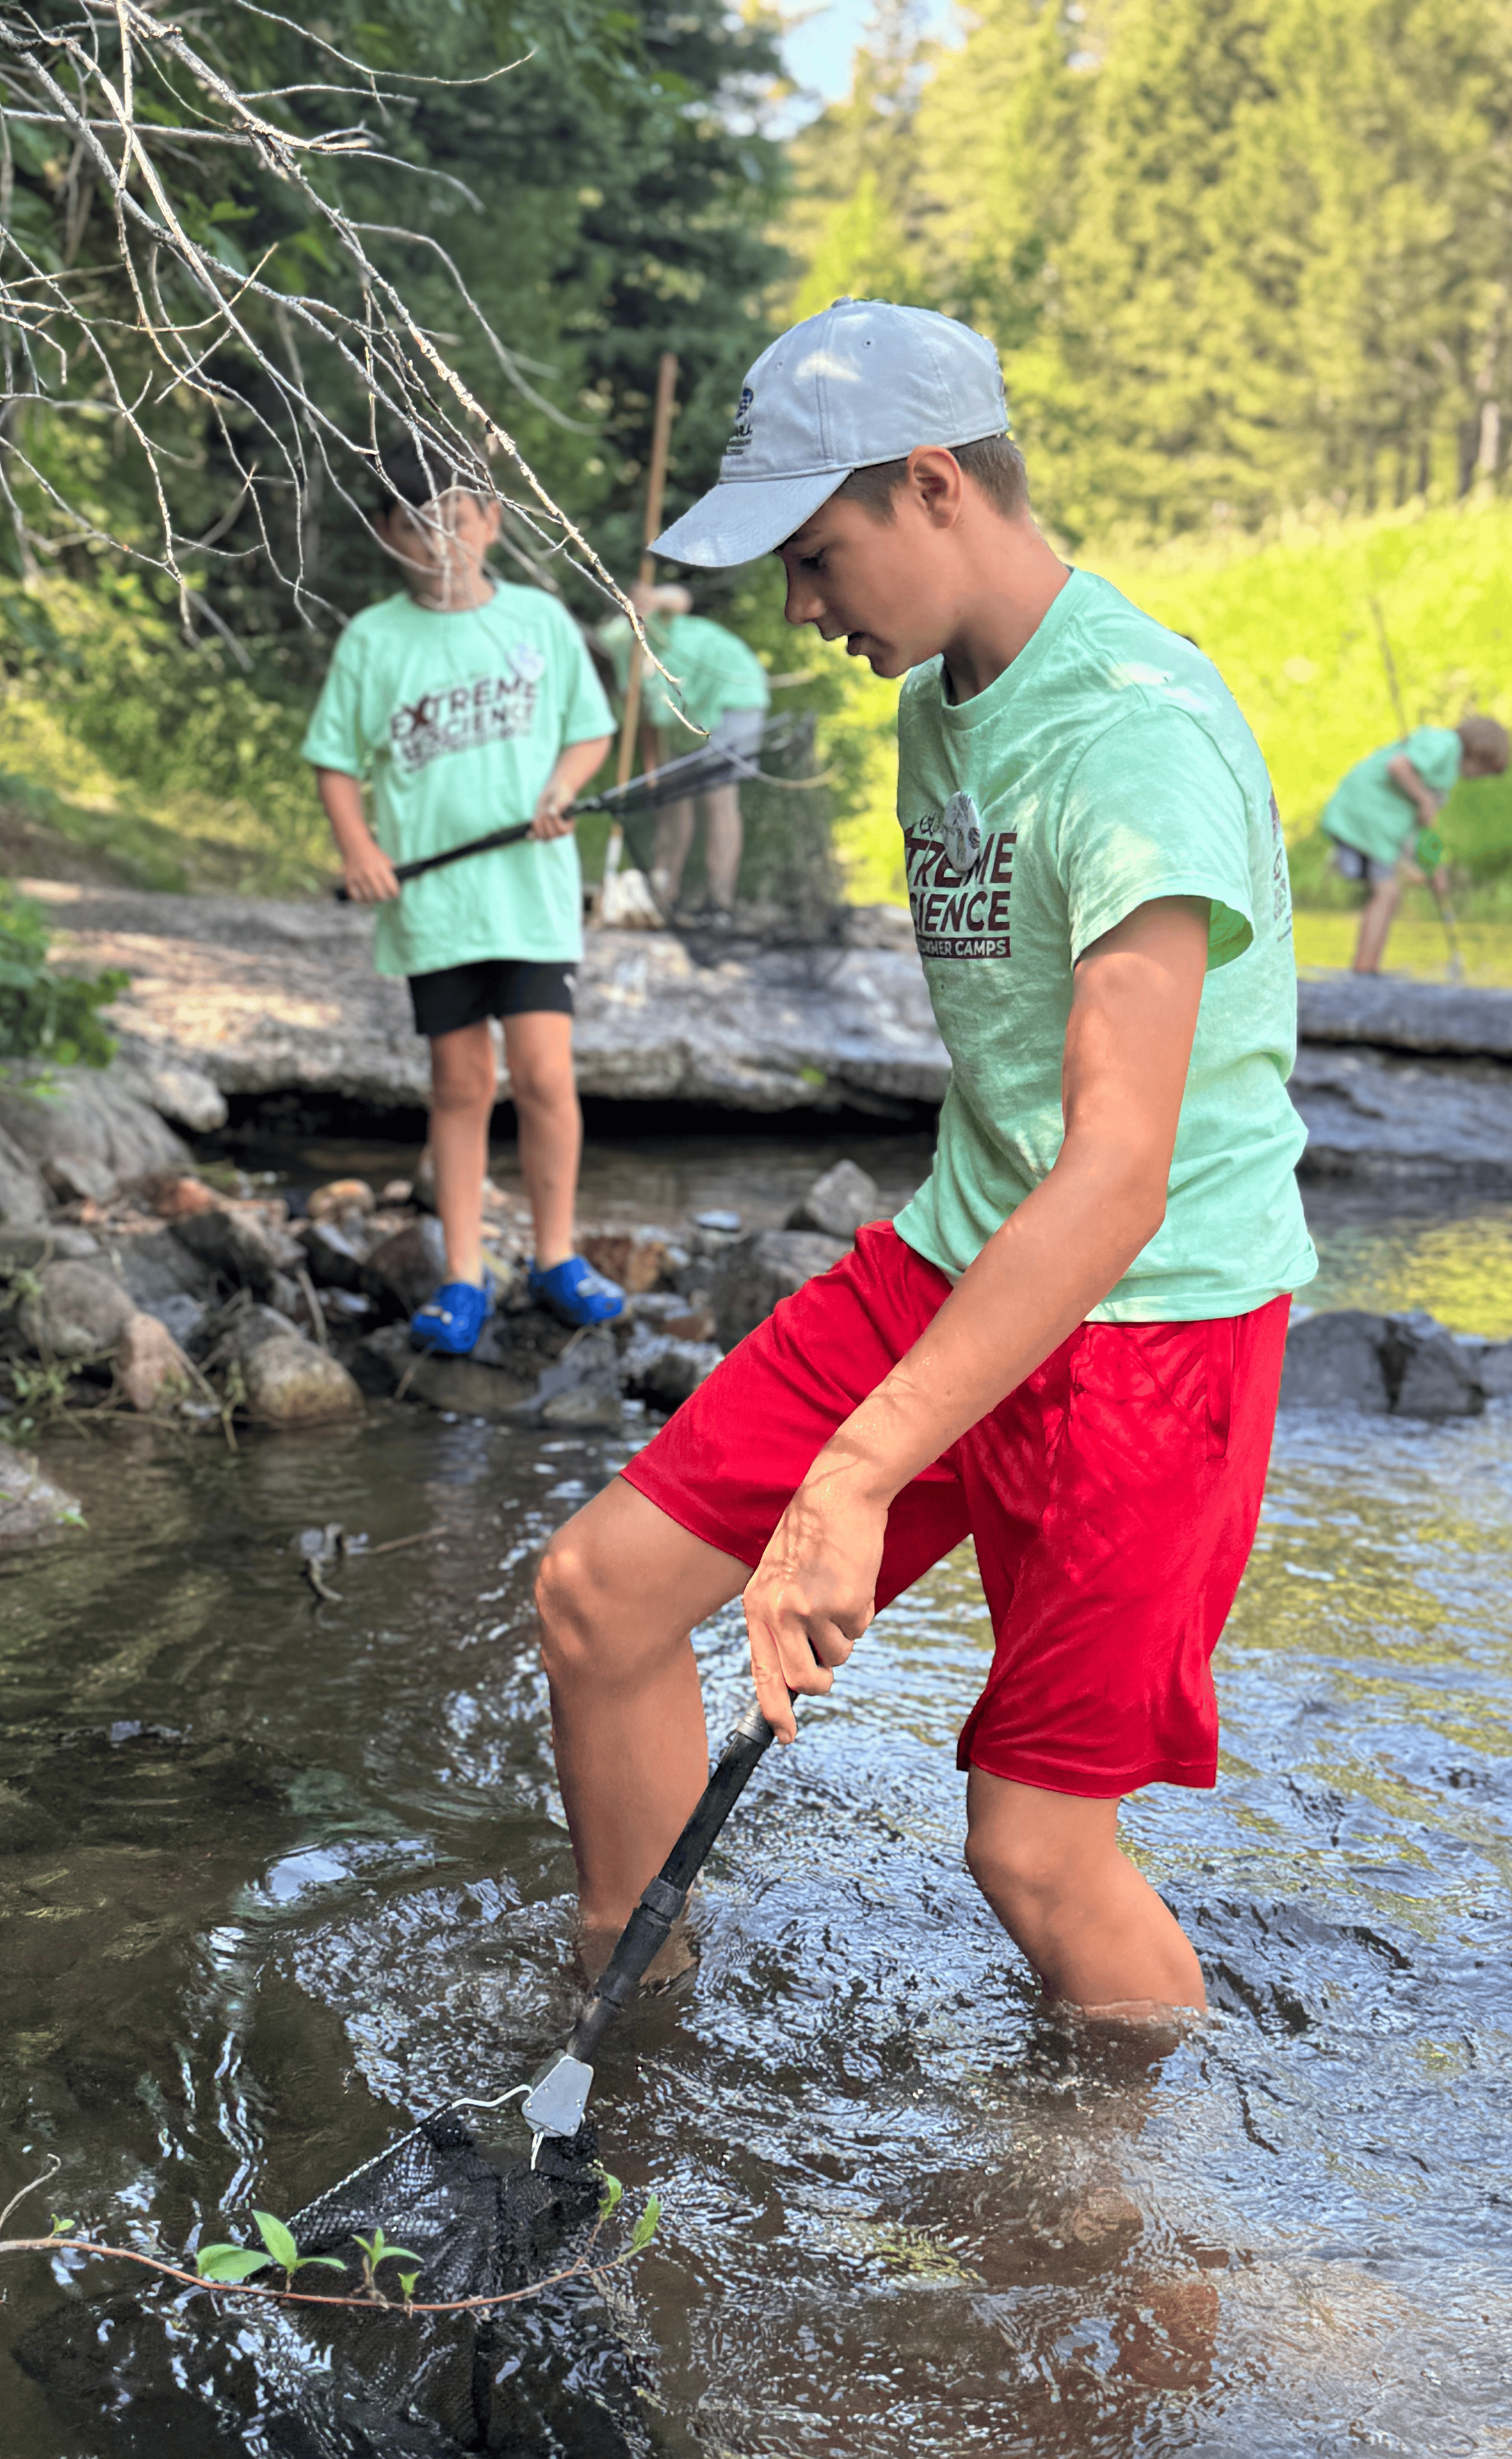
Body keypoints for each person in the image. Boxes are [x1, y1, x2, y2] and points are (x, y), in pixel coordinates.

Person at [535, 299, 1318, 2026]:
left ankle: (1144, 2235)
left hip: (1152, 1328)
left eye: (818, 560)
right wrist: (864, 1463)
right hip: (962, 1257)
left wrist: (857, 1475)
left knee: (1032, 1852)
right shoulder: (937, 693)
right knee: (600, 1600)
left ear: (939, 488)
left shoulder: (1132, 739)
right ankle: (618, 2062)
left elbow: (1118, 1176)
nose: (802, 613)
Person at [302, 443, 624, 1355]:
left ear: (491, 519)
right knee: (459, 1082)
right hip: (433, 906)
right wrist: (359, 845)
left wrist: (559, 793)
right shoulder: (374, 638)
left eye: (456, 514)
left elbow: (588, 735)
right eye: (415, 520)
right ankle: (462, 1274)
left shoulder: (540, 621)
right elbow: (334, 761)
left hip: (529, 895)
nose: (439, 537)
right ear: (387, 534)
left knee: (544, 1073)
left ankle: (557, 1257)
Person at [597, 582, 771, 917]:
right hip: (688, 713)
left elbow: (681, 599)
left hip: (732, 693)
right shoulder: (616, 664)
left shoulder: (635, 632)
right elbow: (647, 725)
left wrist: (652, 598)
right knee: (671, 798)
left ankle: (719, 902)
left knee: (716, 794)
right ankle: (663, 893)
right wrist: (655, 777)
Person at [1322, 716, 1511, 973]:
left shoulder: (1447, 771)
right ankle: (1364, 971)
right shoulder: (1445, 743)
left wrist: (1434, 867)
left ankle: (1367, 968)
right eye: (1484, 772)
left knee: (1389, 892)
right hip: (1367, 814)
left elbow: (1420, 827)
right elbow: (1398, 766)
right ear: (1479, 756)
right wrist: (1423, 798)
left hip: (1382, 825)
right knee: (1387, 892)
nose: (1479, 778)